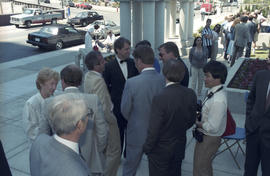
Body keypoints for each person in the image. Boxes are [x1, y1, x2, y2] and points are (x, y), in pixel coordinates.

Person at [143, 59, 197, 176]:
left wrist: (147, 147)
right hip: (179, 146)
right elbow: (192, 120)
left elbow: (154, 129)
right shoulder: (190, 94)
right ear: (183, 74)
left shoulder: (160, 97)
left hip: (160, 150)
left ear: (164, 73)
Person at [121, 45, 165, 176]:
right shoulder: (163, 80)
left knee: (130, 168)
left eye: (135, 61)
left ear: (139, 61)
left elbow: (125, 110)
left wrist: (135, 119)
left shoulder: (132, 83)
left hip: (136, 131)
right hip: (158, 133)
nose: (134, 64)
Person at [60, 64, 108, 176]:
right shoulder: (93, 100)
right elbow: (103, 132)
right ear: (81, 82)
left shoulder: (50, 103)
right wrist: (96, 150)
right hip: (91, 163)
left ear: (62, 81)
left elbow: (44, 135)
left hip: (62, 164)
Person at [30, 93, 90, 176]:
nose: (88, 118)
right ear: (80, 125)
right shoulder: (78, 172)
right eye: (87, 114)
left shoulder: (39, 141)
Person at [84, 51, 121, 176]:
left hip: (93, 120)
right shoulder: (98, 81)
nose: (105, 62)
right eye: (102, 61)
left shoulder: (88, 76)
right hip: (106, 121)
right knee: (115, 152)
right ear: (96, 66)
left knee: (104, 152)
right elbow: (102, 107)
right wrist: (112, 120)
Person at [103, 37, 139, 155]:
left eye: (129, 49)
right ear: (117, 50)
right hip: (117, 106)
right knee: (118, 132)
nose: (129, 51)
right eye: (126, 49)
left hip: (132, 106)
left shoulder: (133, 63)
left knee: (131, 131)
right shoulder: (109, 66)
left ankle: (128, 153)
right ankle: (117, 154)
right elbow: (105, 86)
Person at [193, 61, 228, 176]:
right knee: (204, 167)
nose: (204, 79)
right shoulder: (214, 91)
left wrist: (198, 123)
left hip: (209, 138)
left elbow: (213, 127)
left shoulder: (218, 100)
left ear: (217, 78)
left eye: (207, 76)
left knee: (200, 169)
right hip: (206, 136)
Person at [244, 59, 270, 176]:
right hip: (253, 131)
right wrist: (248, 122)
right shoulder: (261, 75)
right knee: (249, 170)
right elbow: (251, 99)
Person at [22, 68, 59, 143]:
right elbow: (31, 131)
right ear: (41, 84)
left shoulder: (56, 97)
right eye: (51, 84)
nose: (54, 88)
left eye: (56, 84)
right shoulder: (31, 104)